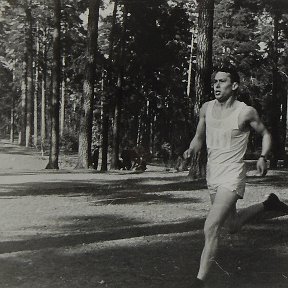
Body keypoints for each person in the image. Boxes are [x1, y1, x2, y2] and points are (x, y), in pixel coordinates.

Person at [183, 65, 288, 287]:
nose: (217, 85)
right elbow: (198, 138)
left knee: (211, 226)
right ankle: (268, 204)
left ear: (235, 85)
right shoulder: (206, 108)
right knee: (231, 225)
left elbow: (265, 134)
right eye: (215, 82)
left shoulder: (245, 112)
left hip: (232, 175)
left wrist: (262, 157)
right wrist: (191, 150)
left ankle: (199, 281)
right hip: (214, 174)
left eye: (222, 81)